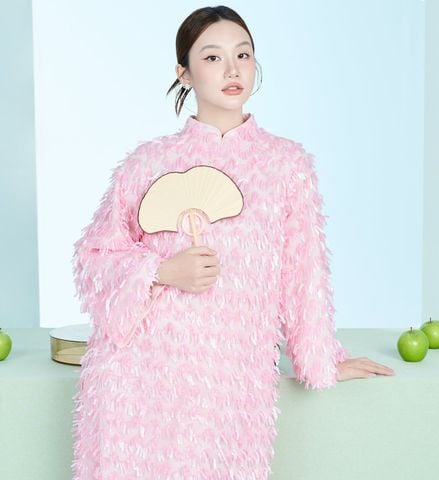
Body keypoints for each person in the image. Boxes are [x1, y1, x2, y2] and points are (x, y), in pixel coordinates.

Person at [71, 5, 395, 479]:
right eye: (212, 57)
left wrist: (320, 362)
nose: (232, 69)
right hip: (140, 380)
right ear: (183, 73)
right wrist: (162, 271)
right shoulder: (146, 163)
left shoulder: (287, 165)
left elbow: (304, 276)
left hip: (231, 380)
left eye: (242, 54)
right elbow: (94, 257)